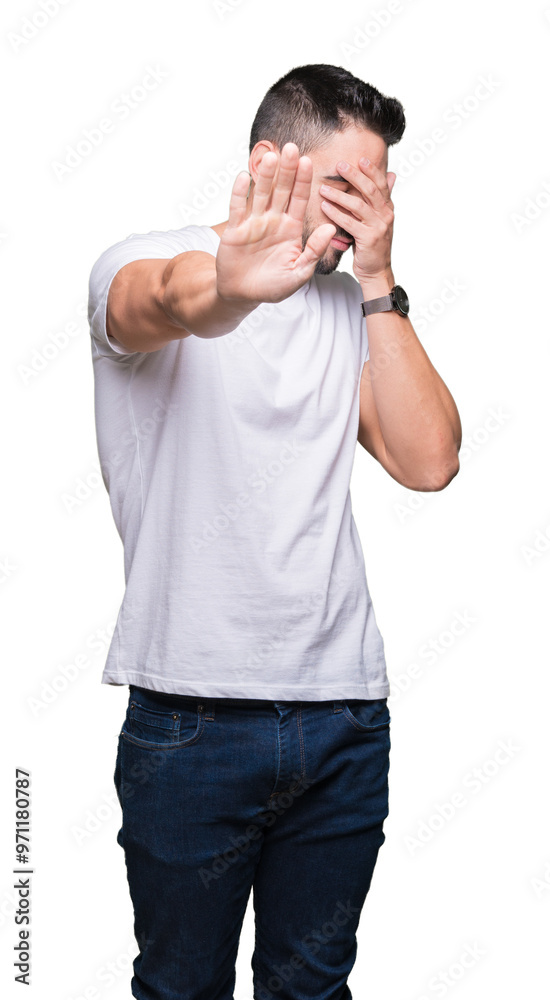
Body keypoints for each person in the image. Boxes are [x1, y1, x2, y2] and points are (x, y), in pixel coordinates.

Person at [88, 63, 461, 1000]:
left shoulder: (350, 300)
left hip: (344, 717)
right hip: (192, 720)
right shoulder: (150, 260)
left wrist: (378, 277)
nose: (360, 216)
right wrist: (233, 288)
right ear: (267, 163)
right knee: (179, 988)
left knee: (313, 991)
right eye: (343, 188)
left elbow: (429, 462)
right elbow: (160, 300)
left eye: (376, 192)